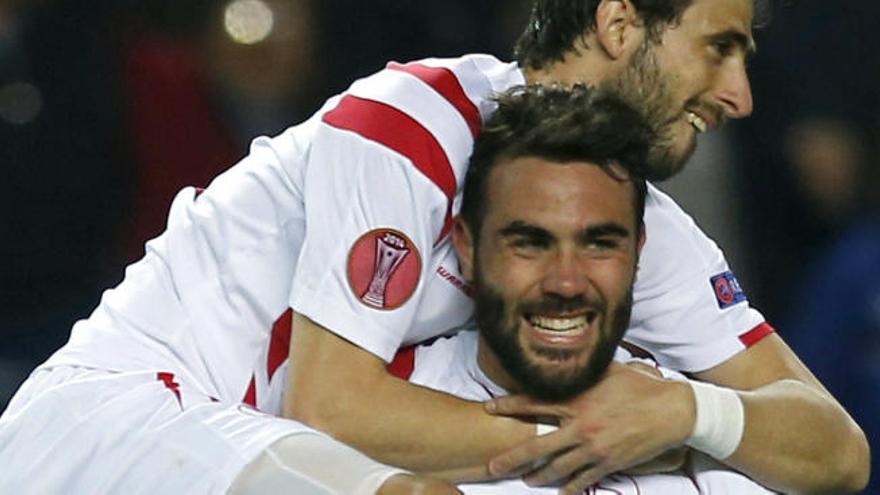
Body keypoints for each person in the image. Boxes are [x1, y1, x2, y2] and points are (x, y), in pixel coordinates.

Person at [0, 0, 869, 493]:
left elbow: (836, 446)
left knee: (727, 479)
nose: (742, 93)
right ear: (617, 22)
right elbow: (331, 409)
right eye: (719, 47)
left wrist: (690, 417)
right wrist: (610, 431)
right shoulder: (413, 119)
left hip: (290, 460)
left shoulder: (643, 227)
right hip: (118, 426)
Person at [392, 83, 774, 494]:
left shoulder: (697, 440)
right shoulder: (379, 418)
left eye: (599, 244)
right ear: (467, 247)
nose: (566, 282)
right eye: (530, 243)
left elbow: (844, 457)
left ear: (637, 251)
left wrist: (693, 419)